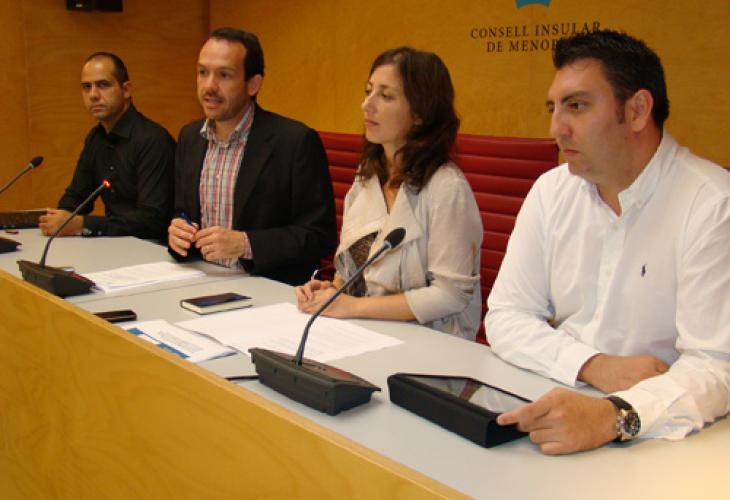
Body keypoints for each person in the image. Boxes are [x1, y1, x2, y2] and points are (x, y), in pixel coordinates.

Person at [486, 30, 730, 454]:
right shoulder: (551, 190)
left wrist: (614, 415)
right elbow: (507, 315)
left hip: (664, 435)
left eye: (576, 106)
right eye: (553, 108)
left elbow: (716, 366)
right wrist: (592, 365)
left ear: (636, 111)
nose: (556, 128)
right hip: (558, 403)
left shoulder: (711, 204)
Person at [295, 47, 483, 340]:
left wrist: (353, 307)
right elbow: (355, 269)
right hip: (366, 332)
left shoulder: (447, 188)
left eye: (385, 96)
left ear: (420, 113)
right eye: (368, 91)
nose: (366, 105)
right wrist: (334, 290)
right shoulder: (367, 177)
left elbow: (450, 296)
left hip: (432, 343)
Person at [167, 27, 336, 286]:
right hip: (199, 279)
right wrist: (178, 231)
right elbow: (181, 212)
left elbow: (319, 236)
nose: (209, 86)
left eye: (224, 75)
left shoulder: (294, 141)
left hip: (264, 287)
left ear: (253, 84)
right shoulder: (190, 137)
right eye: (203, 72)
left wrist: (246, 244)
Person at [39, 52, 175, 239]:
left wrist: (82, 224)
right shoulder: (96, 138)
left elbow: (152, 220)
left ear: (126, 90)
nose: (93, 95)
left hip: (152, 248)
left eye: (103, 85)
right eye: (86, 87)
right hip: (113, 244)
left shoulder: (153, 140)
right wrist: (59, 218)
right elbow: (76, 197)